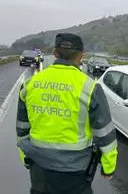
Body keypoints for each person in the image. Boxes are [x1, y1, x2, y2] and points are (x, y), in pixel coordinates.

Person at [16, 33, 118, 194]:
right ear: (81, 55)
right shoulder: (90, 87)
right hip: (75, 171)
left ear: (55, 53)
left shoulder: (30, 84)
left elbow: (22, 128)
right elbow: (104, 133)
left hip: (38, 167)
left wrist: (26, 158)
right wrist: (108, 167)